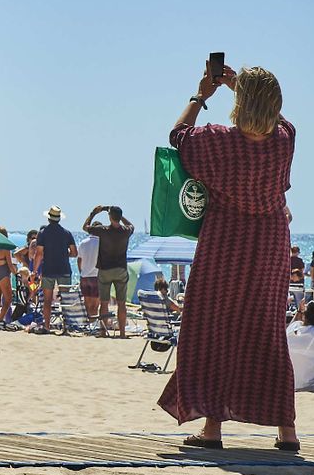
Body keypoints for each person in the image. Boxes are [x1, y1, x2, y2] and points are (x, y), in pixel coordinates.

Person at [160, 63, 299, 451]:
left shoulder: (220, 141)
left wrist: (202, 94)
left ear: (240, 103)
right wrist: (242, 85)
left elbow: (178, 134)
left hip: (226, 241)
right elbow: (279, 120)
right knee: (267, 334)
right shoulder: (285, 139)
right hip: (271, 242)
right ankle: (287, 431)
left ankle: (212, 430)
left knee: (212, 330)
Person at [83, 204, 136, 337]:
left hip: (105, 269)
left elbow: (85, 227)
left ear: (110, 217)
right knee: (121, 303)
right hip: (120, 269)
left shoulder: (103, 230)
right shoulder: (125, 231)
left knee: (104, 302)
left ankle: (103, 331)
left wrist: (93, 213)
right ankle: (122, 333)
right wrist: (119, 216)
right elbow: (132, 226)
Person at [35, 206, 79, 330]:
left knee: (47, 300)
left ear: (48, 219)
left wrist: (34, 271)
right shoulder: (66, 233)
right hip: (64, 269)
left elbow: (39, 253)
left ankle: (47, 326)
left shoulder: (43, 233)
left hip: (48, 269)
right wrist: (65, 255)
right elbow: (75, 253)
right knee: (65, 301)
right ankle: (65, 327)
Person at [76, 227, 102, 320]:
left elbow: (79, 260)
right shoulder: (102, 243)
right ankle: (93, 323)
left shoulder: (83, 243)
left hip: (85, 276)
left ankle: (88, 322)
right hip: (97, 276)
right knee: (95, 305)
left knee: (87, 303)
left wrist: (81, 272)